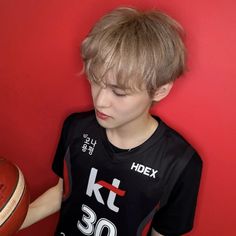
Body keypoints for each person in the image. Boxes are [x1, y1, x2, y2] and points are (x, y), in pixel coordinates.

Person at [21, 7, 202, 236]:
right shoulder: (76, 128)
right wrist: (11, 220)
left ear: (159, 90)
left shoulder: (180, 163)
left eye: (119, 92)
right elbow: (63, 191)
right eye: (95, 81)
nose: (100, 101)